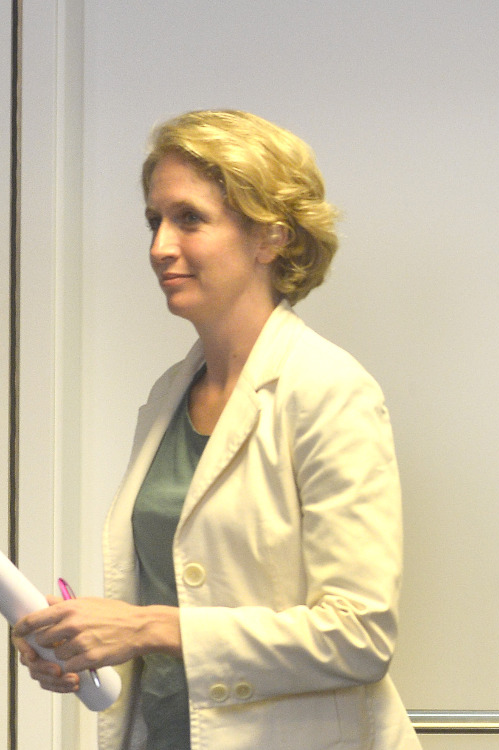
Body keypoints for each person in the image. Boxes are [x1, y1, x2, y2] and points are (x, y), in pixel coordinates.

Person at [12, 110, 421, 750]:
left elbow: (359, 637)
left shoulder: (329, 390)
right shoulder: (168, 395)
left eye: (189, 219)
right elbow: (178, 593)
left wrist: (146, 627)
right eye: (154, 220)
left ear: (270, 237)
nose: (160, 246)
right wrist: (86, 642)